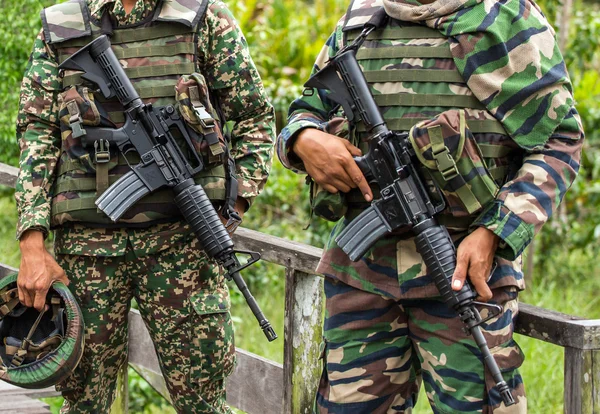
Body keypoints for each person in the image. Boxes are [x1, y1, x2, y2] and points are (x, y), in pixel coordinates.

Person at [277, 0, 584, 412]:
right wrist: (302, 139)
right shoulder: (363, 19)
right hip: (363, 275)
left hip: (464, 277)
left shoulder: (505, 18)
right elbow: (306, 111)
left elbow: (559, 142)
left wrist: (495, 231)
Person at [15, 0, 275, 412]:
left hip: (184, 247)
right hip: (87, 252)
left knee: (203, 402)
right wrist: (32, 243)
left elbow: (255, 118)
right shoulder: (62, 25)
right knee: (83, 401)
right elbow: (38, 134)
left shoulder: (204, 18)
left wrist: (235, 203)